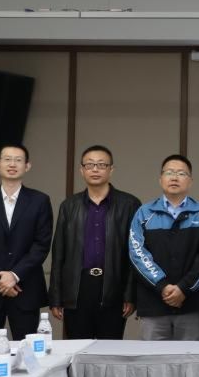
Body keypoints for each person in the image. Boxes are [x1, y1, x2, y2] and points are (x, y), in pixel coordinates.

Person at [48, 145, 141, 340]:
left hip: (113, 287)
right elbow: (59, 254)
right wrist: (56, 297)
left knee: (110, 349)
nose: (95, 169)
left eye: (101, 164)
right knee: (77, 348)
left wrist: (130, 295)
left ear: (111, 170)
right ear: (82, 170)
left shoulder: (129, 204)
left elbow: (135, 254)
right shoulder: (69, 206)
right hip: (77, 288)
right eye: (89, 165)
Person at [0, 143, 53, 345]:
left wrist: (14, 275)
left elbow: (41, 245)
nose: (12, 164)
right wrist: (0, 280)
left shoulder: (40, 201)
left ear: (27, 166)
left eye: (18, 160)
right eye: (7, 159)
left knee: (29, 354)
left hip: (25, 289)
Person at [128, 155, 199, 341]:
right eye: (169, 172)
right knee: (151, 358)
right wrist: (162, 286)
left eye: (181, 173)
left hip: (191, 302)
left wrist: (183, 288)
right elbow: (137, 253)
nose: (174, 177)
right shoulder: (144, 213)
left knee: (189, 356)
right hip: (153, 302)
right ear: (160, 179)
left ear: (190, 181)